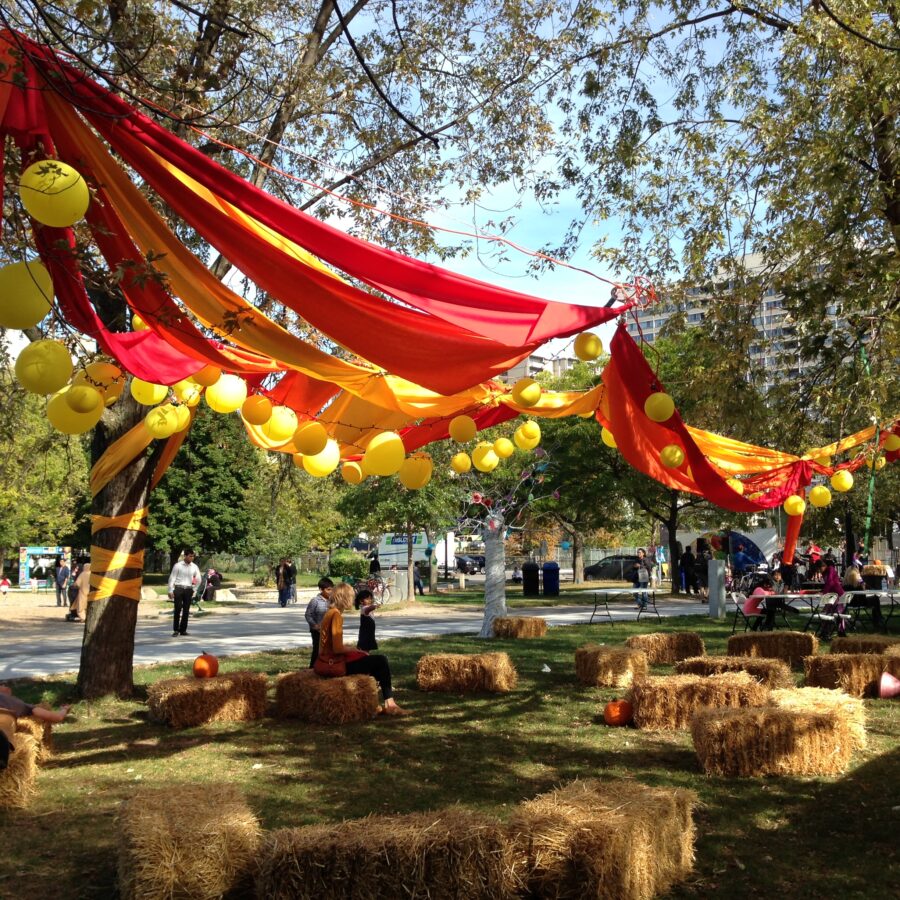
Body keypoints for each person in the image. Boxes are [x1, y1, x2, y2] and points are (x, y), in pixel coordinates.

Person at [317, 582, 408, 715]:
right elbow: (337, 648)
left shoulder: (330, 612)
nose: (353, 600)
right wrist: (354, 650)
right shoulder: (336, 615)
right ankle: (390, 704)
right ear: (344, 598)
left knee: (372, 662)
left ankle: (373, 703)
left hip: (328, 660)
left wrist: (351, 649)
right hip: (335, 663)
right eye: (351, 596)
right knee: (381, 661)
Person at [0, 685, 71, 771]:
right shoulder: (18, 704)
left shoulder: (18, 704)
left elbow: (57, 717)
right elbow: (57, 717)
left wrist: (64, 710)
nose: (4, 686)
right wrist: (64, 710)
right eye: (2, 685)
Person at [167, 548, 200, 637]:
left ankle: (183, 630)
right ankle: (176, 630)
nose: (192, 558)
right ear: (185, 556)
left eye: (193, 556)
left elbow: (198, 579)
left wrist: (195, 589)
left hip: (189, 589)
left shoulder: (194, 566)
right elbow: (172, 578)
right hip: (178, 588)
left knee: (186, 610)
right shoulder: (178, 565)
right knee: (177, 609)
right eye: (190, 556)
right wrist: (170, 590)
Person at [304, 577, 333, 668]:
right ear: (321, 589)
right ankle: (312, 668)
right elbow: (308, 615)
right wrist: (314, 625)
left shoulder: (332, 601)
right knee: (317, 650)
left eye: (332, 589)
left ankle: (324, 667)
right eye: (328, 589)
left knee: (328, 650)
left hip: (328, 631)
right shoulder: (315, 601)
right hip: (317, 632)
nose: (330, 591)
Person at [355, 587, 378, 652]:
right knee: (364, 648)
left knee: (367, 648)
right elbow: (368, 609)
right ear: (361, 601)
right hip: (365, 634)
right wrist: (374, 606)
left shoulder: (366, 607)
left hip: (369, 633)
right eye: (367, 599)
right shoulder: (364, 608)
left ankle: (366, 656)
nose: (370, 600)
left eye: (370, 599)